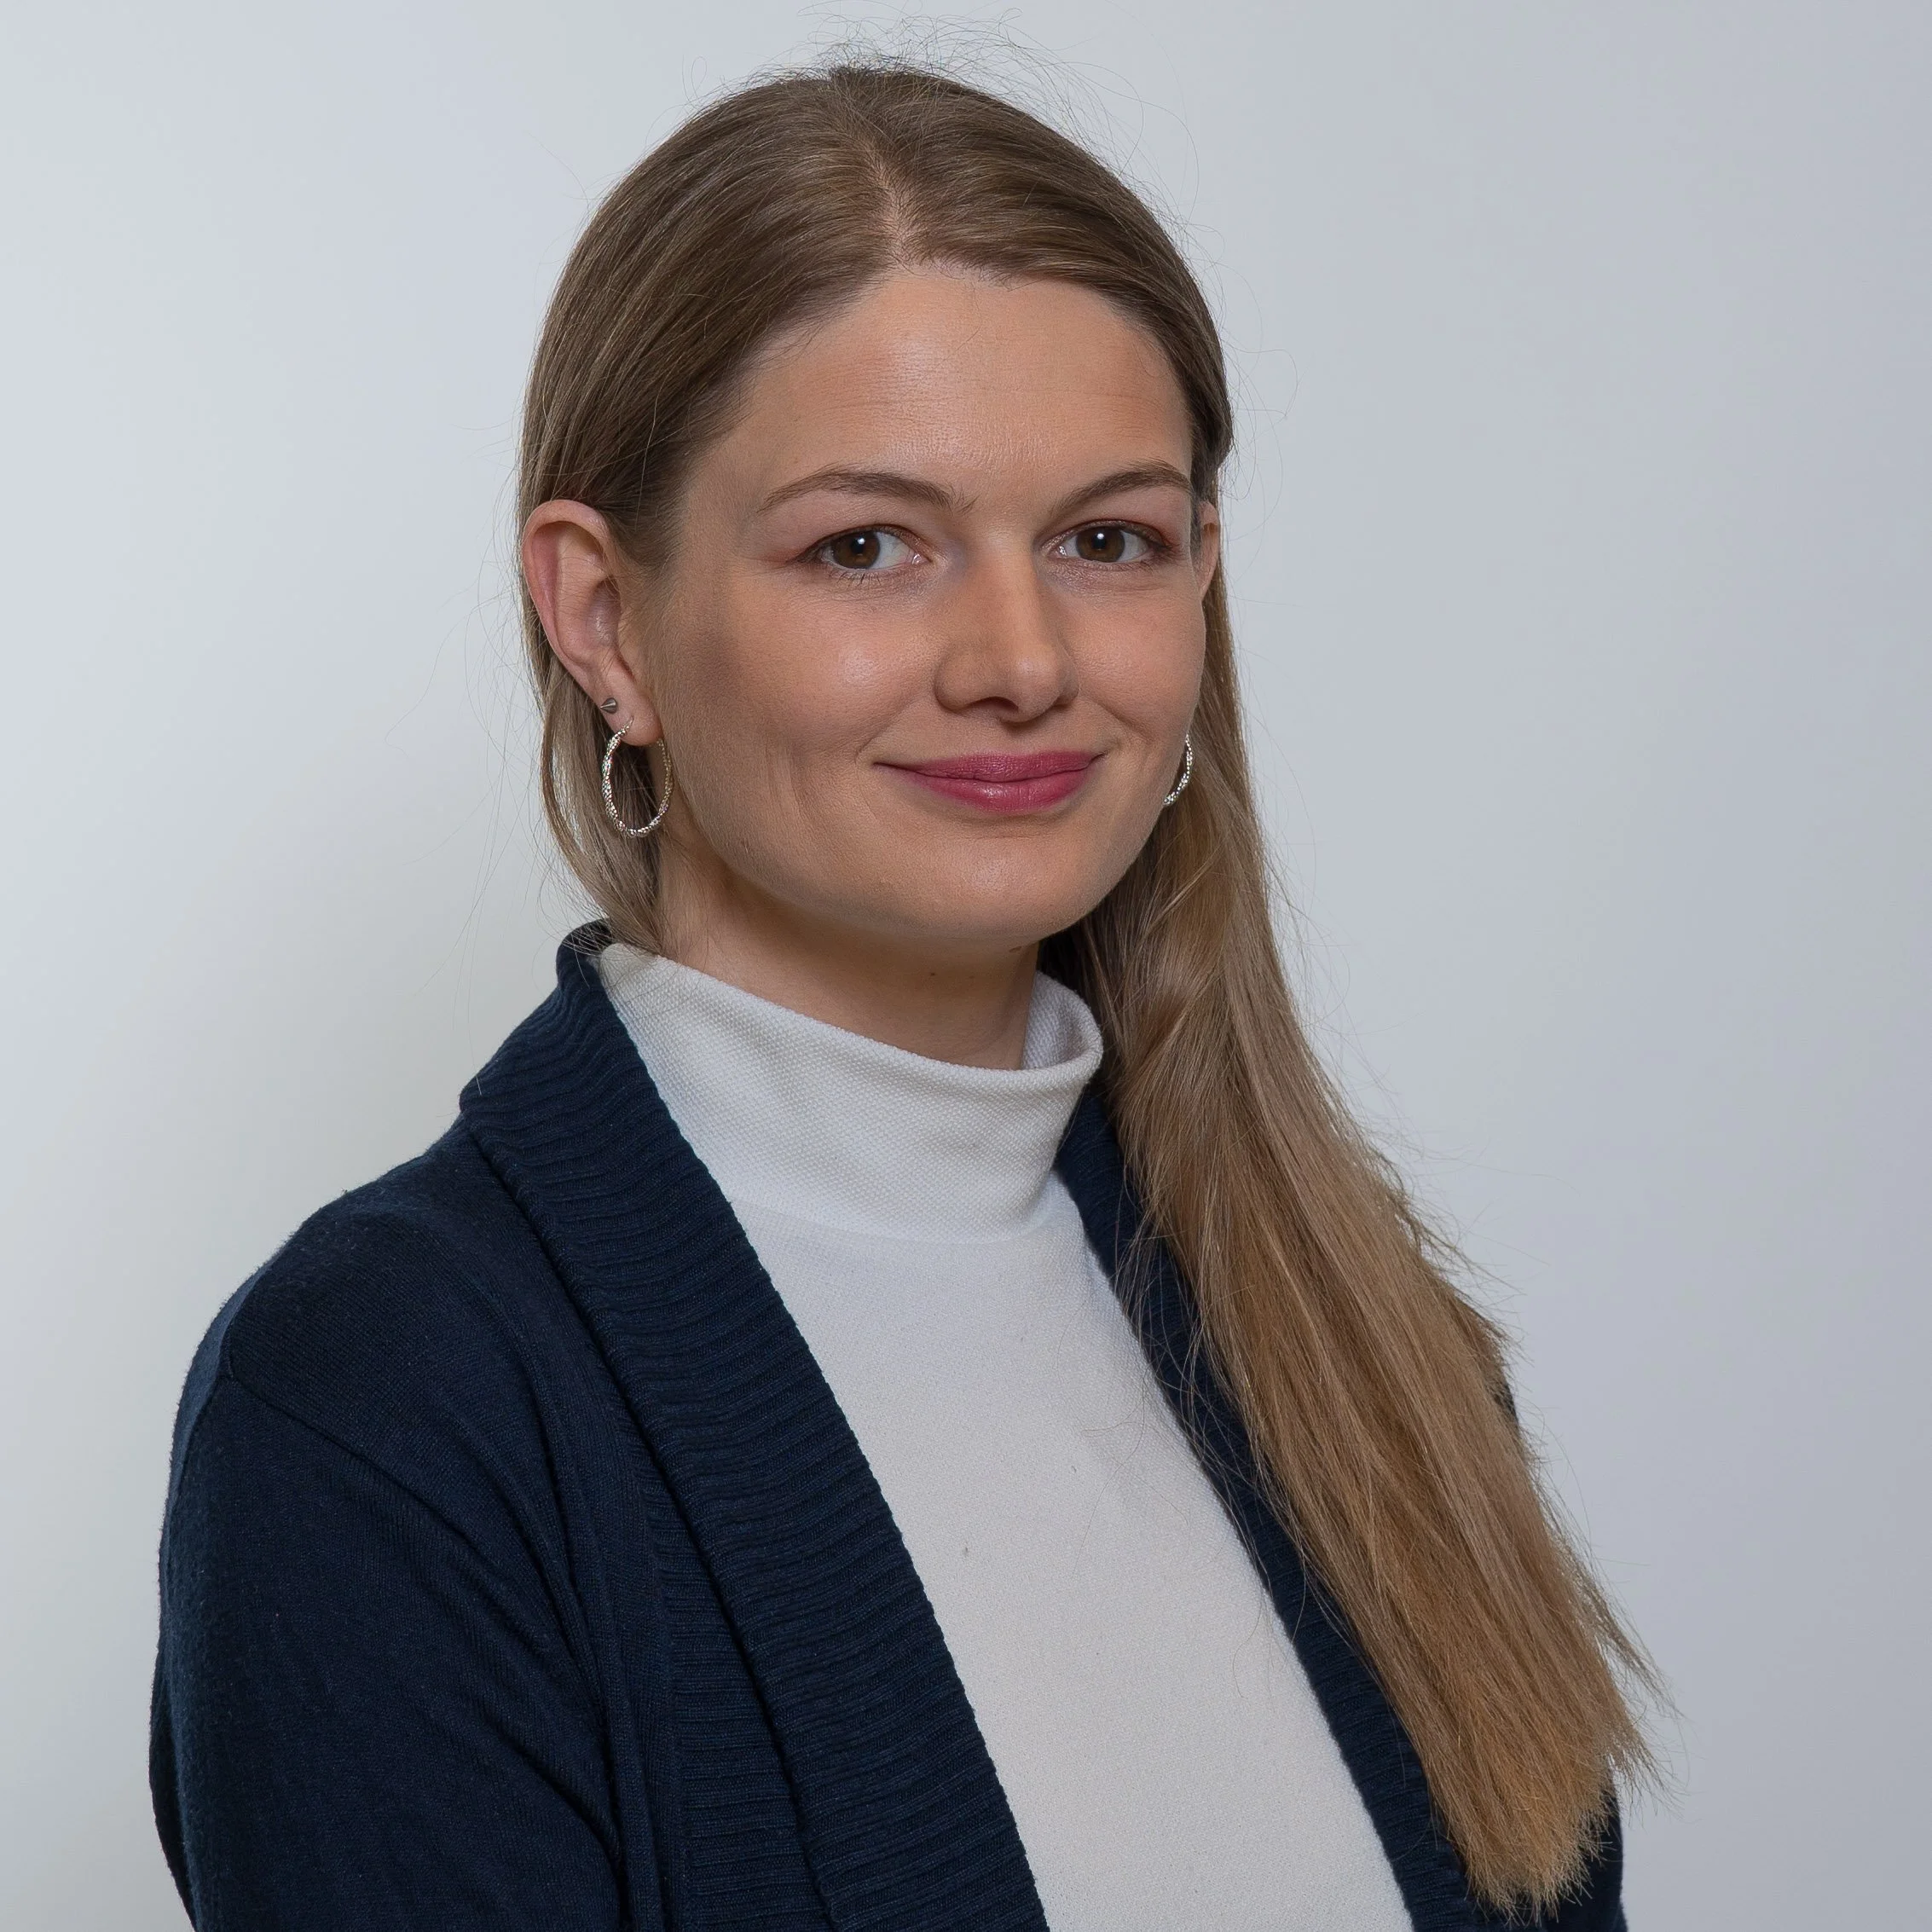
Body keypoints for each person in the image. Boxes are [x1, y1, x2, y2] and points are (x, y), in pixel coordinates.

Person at [150, 62, 1652, 1932]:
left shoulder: (1356, 1339)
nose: (1019, 659)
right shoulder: (386, 1404)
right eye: (866, 545)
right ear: (604, 618)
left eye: (1107, 538)